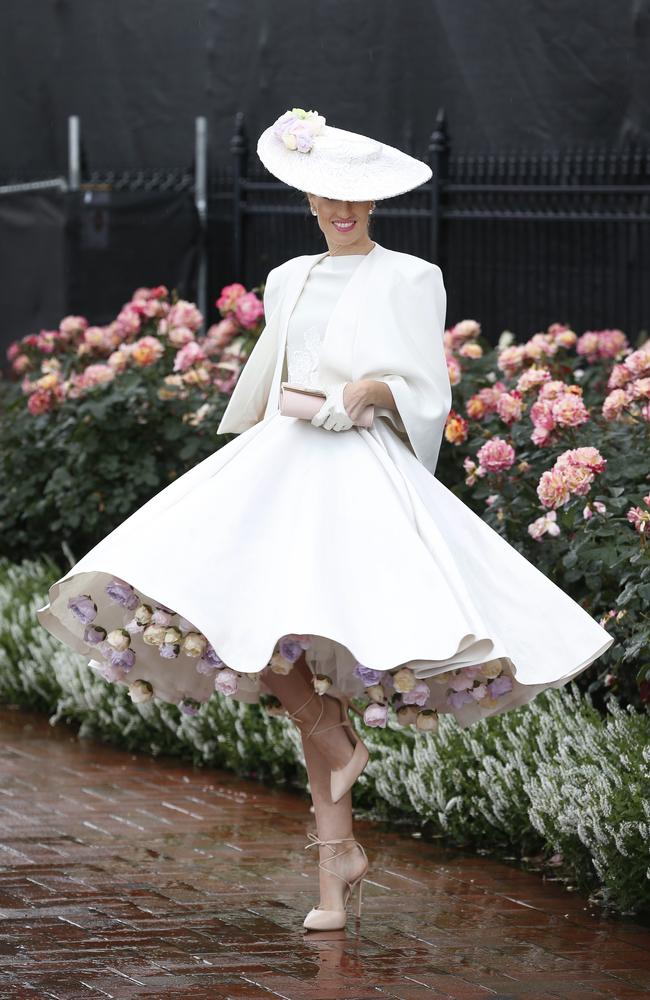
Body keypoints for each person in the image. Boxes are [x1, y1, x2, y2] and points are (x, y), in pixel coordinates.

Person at [36, 107, 614, 933]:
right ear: (307, 199)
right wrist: (292, 418)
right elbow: (274, 379)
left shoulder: (409, 277)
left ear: (373, 203)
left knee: (308, 633)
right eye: (325, 195)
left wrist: (364, 395)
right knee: (241, 620)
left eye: (356, 198)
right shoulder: (288, 276)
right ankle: (332, 772)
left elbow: (422, 389)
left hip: (359, 473)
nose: (341, 210)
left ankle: (334, 873)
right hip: (282, 461)